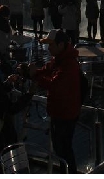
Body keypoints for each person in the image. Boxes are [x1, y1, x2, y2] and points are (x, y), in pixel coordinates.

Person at [26, 29, 82, 173]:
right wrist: (34, 73)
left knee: (64, 150)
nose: (48, 48)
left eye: (51, 45)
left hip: (65, 113)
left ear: (61, 44)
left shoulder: (68, 65)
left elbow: (54, 85)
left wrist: (35, 77)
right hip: (61, 111)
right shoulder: (60, 59)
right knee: (62, 149)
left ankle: (70, 173)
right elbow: (47, 69)